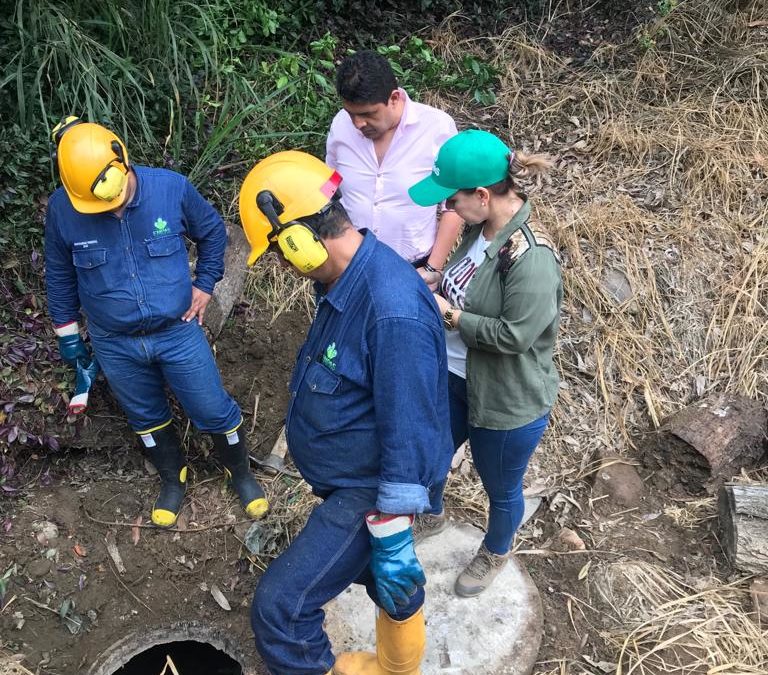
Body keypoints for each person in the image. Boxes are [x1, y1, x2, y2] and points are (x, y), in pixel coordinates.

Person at [239, 150, 453, 674]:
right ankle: (397, 668)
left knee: (281, 611)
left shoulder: (390, 308)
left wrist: (394, 529)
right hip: (347, 480)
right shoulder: (345, 281)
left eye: (278, 252)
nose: (282, 266)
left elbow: (413, 428)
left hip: (368, 489)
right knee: (384, 579)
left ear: (299, 239)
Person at [44, 116, 268, 528]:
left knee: (212, 409)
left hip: (177, 331)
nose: (111, 209)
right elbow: (59, 274)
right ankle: (172, 478)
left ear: (123, 163)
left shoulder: (171, 188)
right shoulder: (63, 208)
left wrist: (205, 284)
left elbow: (214, 233)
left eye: (117, 198)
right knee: (145, 417)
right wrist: (67, 335)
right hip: (115, 342)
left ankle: (241, 473)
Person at [408, 129, 562, 597]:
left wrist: (450, 315)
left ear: (481, 195)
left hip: (505, 399)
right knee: (432, 454)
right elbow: (463, 284)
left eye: (450, 200)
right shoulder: (480, 230)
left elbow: (515, 337)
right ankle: (430, 514)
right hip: (455, 379)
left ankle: (496, 549)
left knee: (501, 486)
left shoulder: (532, 259)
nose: (446, 210)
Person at [326, 50, 464, 288]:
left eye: (368, 114)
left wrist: (433, 268)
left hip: (411, 269)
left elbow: (453, 205)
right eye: (352, 114)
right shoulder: (341, 123)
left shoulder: (437, 128)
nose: (358, 124)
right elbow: (330, 183)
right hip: (347, 265)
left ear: (394, 98)